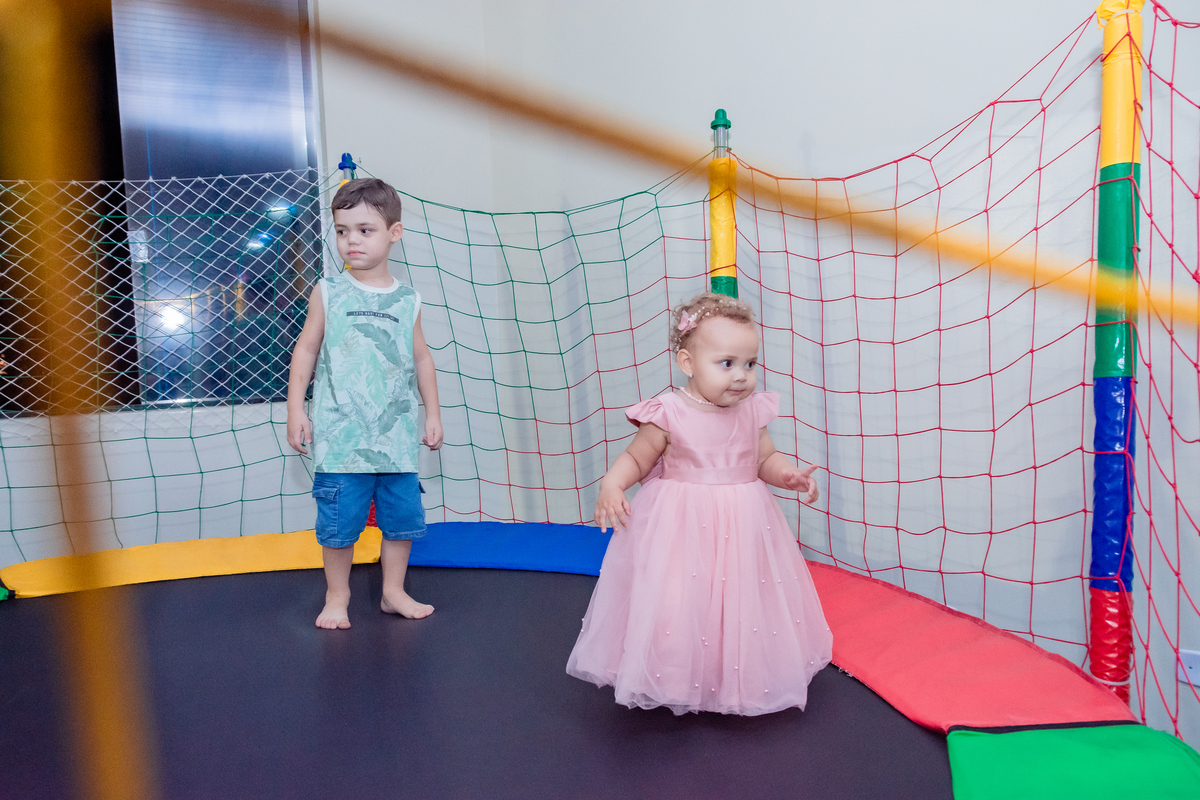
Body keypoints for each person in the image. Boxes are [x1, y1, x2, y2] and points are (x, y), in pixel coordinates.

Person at [567, 291, 832, 715]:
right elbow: (637, 458)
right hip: (679, 527)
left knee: (740, 602)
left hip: (742, 525)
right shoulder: (669, 412)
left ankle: (733, 678)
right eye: (726, 363)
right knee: (677, 601)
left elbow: (763, 458)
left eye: (750, 364)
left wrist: (787, 475)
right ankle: (674, 676)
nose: (741, 376)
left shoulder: (752, 411)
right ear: (687, 363)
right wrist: (612, 484)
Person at [286, 178, 443, 630]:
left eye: (364, 230)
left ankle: (393, 592)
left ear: (394, 233)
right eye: (341, 231)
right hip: (341, 441)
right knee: (338, 524)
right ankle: (337, 596)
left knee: (402, 521)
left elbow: (422, 358)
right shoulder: (329, 291)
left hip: (395, 440)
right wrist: (296, 408)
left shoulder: (408, 299)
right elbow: (306, 349)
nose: (350, 240)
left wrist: (432, 413)